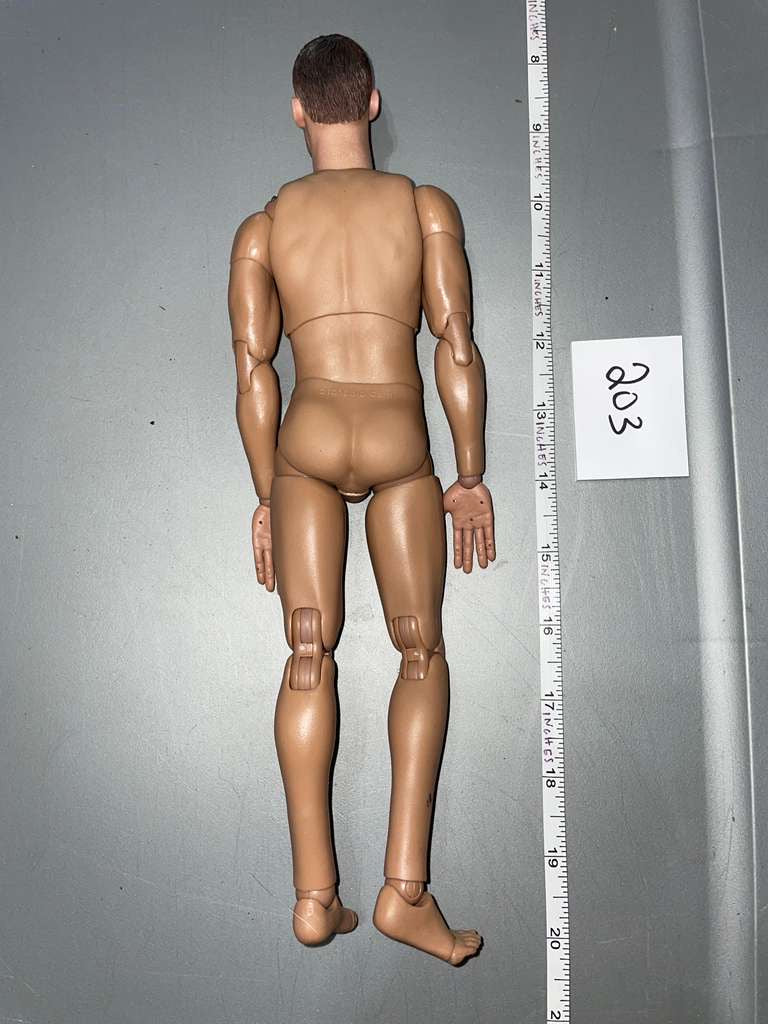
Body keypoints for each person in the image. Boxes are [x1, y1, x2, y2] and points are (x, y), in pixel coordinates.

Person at [228, 33, 495, 965]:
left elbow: (253, 370)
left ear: (299, 111)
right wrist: (469, 475)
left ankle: (315, 898)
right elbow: (455, 345)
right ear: (372, 103)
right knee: (420, 651)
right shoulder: (423, 207)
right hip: (395, 437)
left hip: (304, 442)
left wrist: (267, 492)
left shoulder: (264, 226)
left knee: (308, 652)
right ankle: (403, 892)